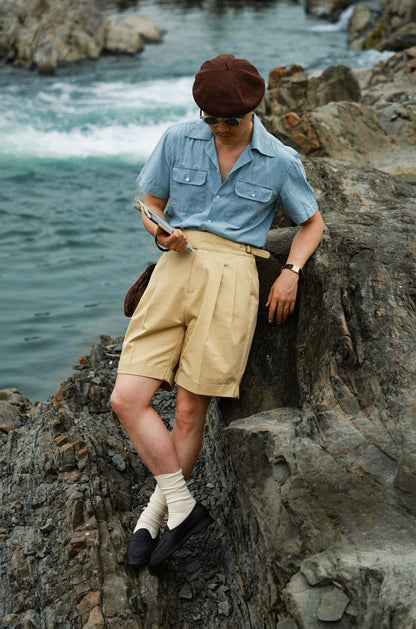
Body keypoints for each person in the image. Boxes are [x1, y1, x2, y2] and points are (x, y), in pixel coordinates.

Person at [110, 54, 324, 569]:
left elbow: (311, 223)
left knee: (188, 410)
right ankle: (184, 506)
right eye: (213, 119)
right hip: (175, 268)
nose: (222, 128)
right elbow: (151, 203)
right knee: (126, 398)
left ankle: (155, 517)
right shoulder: (176, 138)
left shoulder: (280, 159)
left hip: (232, 277)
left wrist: (291, 271)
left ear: (253, 109)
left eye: (232, 120)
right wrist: (161, 230)